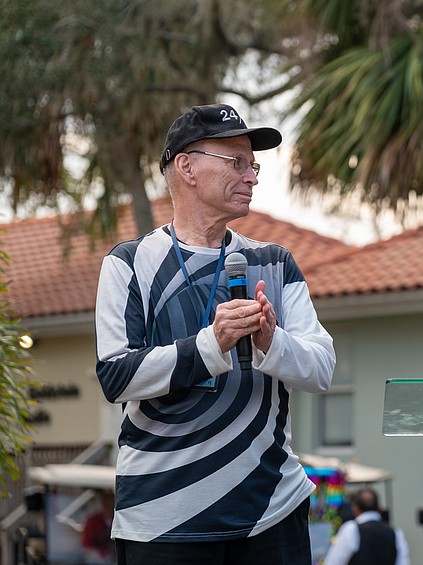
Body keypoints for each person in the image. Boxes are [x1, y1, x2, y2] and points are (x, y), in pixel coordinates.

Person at [95, 103, 336, 565]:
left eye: (254, 165)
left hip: (271, 510)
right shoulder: (127, 262)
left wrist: (270, 340)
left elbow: (322, 369)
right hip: (163, 516)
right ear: (186, 167)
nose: (252, 177)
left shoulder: (276, 261)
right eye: (237, 162)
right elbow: (115, 376)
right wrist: (213, 343)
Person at [322, 487, 410, 565]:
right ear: (378, 508)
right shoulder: (395, 532)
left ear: (355, 508)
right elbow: (403, 562)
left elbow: (334, 562)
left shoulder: (351, 530)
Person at [81, 490, 115, 564]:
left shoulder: (118, 520)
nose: (109, 507)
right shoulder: (92, 520)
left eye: (112, 504)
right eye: (107, 503)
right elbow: (87, 545)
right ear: (103, 503)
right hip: (96, 558)